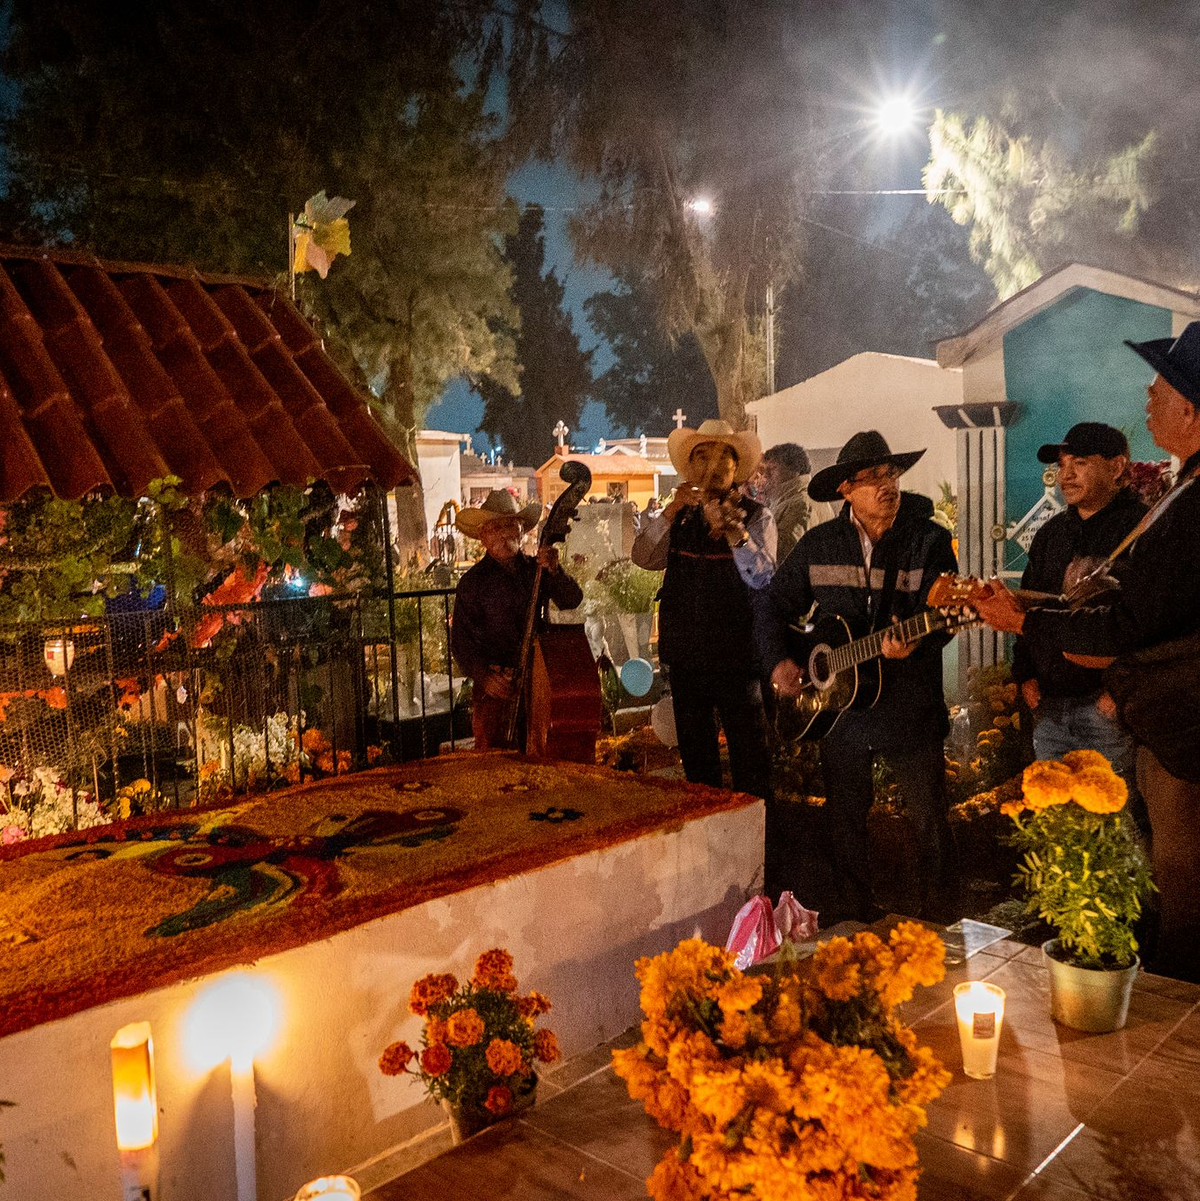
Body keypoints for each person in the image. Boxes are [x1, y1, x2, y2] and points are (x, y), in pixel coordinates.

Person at [970, 322, 1200, 982]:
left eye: (1160, 388)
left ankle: (1157, 1010)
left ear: (1190, 407)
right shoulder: (1173, 499)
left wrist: (1021, 625)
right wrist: (1026, 658)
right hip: (1120, 712)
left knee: (1169, 868)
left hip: (1166, 724)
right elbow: (1069, 608)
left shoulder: (1175, 508)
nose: (1148, 397)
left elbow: (1131, 628)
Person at [758, 430, 959, 921]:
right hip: (840, 714)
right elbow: (772, 606)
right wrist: (780, 661)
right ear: (845, 489)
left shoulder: (928, 540)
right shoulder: (819, 544)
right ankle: (854, 915)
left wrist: (918, 640)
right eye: (870, 479)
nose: (885, 486)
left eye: (890, 474)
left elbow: (945, 616)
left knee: (929, 818)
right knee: (844, 819)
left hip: (910, 708)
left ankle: (940, 918)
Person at [632, 419, 776, 797]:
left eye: (721, 457)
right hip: (687, 662)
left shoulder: (757, 516)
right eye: (701, 456)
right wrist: (668, 512)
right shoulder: (678, 515)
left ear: (735, 468)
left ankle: (760, 848)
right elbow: (643, 557)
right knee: (698, 771)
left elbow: (763, 578)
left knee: (751, 766)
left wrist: (734, 533)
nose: (711, 466)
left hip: (738, 660)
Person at [1012, 423, 1145, 806]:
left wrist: (1118, 693)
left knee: (1116, 829)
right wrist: (1025, 676)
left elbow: (1153, 623)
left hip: (1110, 710)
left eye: (1080, 463)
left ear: (1117, 467)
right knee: (1055, 825)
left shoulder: (1142, 529)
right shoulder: (1050, 535)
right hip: (1049, 705)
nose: (1065, 475)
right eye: (1062, 464)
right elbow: (1029, 607)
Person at [450, 490, 582, 750]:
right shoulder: (472, 583)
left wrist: (555, 571)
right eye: (494, 528)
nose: (503, 533)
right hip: (495, 689)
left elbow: (572, 600)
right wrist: (484, 677)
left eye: (510, 525)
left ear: (522, 530)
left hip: (541, 682)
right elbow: (461, 642)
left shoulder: (538, 569)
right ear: (483, 536)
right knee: (495, 763)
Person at [758, 442, 812, 562]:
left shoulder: (799, 503)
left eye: (773, 468)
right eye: (765, 470)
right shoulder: (794, 498)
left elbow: (784, 554)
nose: (766, 475)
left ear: (795, 469)